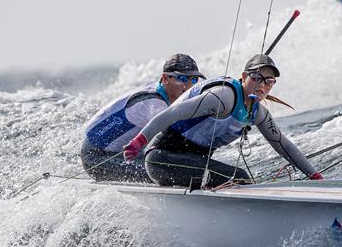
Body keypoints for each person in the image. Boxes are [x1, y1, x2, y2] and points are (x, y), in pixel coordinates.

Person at [122, 54, 324, 188]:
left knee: (239, 178)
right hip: (162, 159)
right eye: (256, 77)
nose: (262, 85)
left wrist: (314, 176)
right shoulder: (224, 98)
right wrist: (140, 140)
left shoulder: (258, 113)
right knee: (240, 177)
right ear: (244, 76)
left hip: (191, 164)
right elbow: (173, 113)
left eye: (269, 81)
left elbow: (283, 145)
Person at [80, 53, 205, 182]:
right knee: (161, 171)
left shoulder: (161, 90)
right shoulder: (154, 104)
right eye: (182, 79)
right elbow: (178, 136)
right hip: (97, 158)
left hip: (118, 152)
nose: (188, 85)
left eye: (194, 79)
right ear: (165, 78)